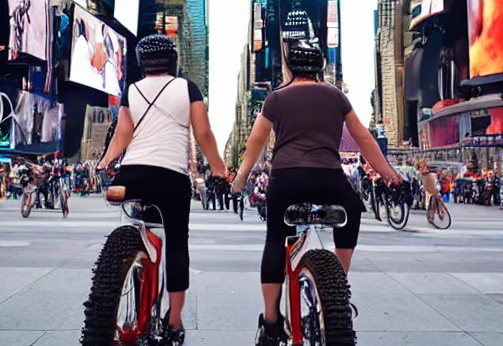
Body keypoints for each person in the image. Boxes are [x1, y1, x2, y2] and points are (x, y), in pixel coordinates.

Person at [232, 39, 401, 346]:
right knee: (351, 208)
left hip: (286, 179)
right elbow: (364, 139)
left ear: (290, 66)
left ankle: (271, 322)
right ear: (320, 66)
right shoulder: (337, 96)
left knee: (275, 239)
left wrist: (240, 178)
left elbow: (255, 143)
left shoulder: (276, 98)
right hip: (328, 179)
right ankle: (337, 285)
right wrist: (390, 174)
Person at [98, 34, 226, 345]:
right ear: (173, 60)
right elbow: (203, 132)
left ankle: (137, 258)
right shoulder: (187, 88)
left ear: (142, 63)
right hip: (171, 177)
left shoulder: (132, 90)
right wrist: (220, 169)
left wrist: (104, 163)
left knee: (139, 224)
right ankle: (175, 322)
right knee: (177, 244)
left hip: (132, 175)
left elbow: (123, 135)